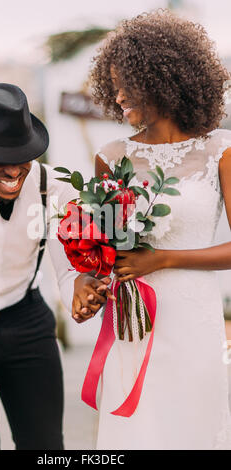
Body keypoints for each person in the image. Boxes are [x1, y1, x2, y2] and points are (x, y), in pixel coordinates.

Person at [79, 10, 231, 450]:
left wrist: (163, 259)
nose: (119, 94)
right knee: (135, 433)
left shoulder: (220, 149)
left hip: (193, 322)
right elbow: (102, 245)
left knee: (193, 431)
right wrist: (88, 278)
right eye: (114, 83)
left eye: (129, 82)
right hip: (131, 323)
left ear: (165, 77)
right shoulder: (111, 156)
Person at [0, 82, 111, 450]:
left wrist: (77, 293)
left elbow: (68, 267)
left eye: (23, 155)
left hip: (28, 323)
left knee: (45, 446)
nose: (15, 169)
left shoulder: (54, 188)